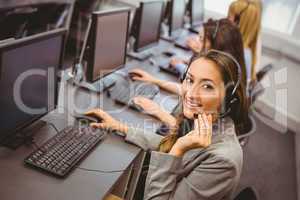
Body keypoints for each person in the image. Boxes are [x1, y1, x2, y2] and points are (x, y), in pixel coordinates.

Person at [85, 50, 249, 200]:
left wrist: (177, 150)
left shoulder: (224, 161)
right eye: (190, 80)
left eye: (207, 86)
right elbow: (166, 143)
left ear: (229, 99)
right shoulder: (208, 122)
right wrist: (120, 127)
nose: (191, 93)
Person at [129, 19, 247, 126]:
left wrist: (157, 111)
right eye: (190, 80)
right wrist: (154, 80)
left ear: (216, 46)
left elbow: (186, 134)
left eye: (201, 39)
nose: (196, 41)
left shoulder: (220, 109)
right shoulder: (232, 72)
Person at [228, 0, 262, 82]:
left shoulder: (235, 54)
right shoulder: (246, 51)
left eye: (229, 17)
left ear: (237, 22)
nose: (225, 20)